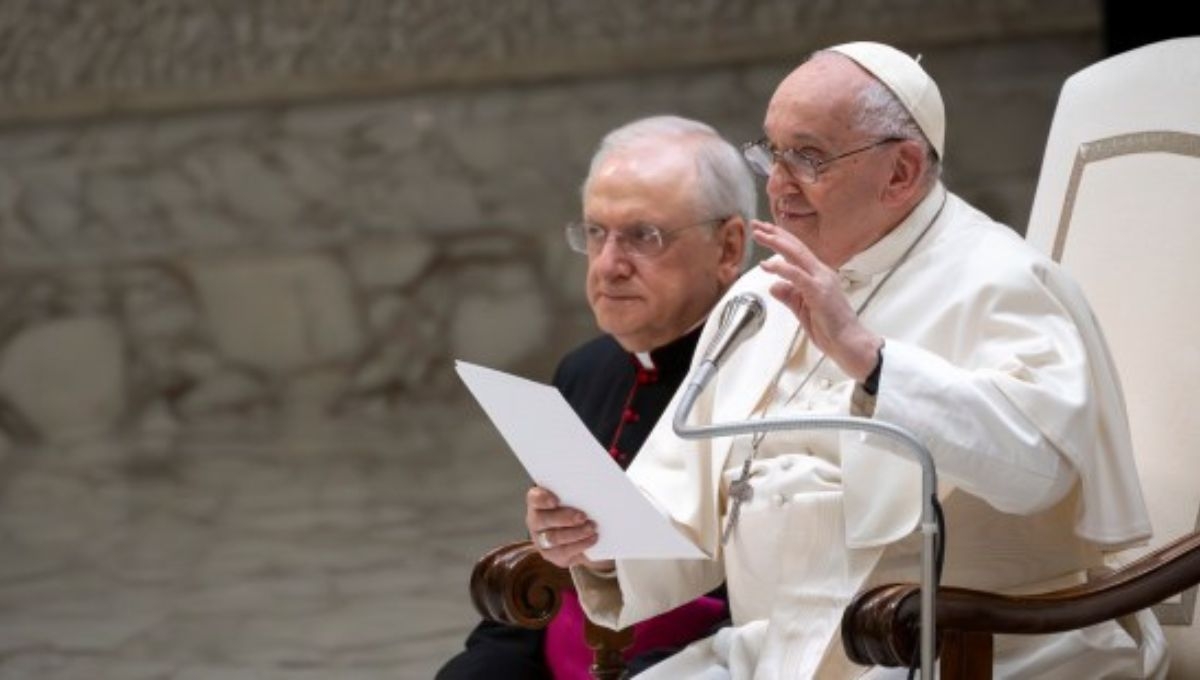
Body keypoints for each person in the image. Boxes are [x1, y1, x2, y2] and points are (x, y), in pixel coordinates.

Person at [527, 42, 1168, 678]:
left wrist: (869, 357)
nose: (777, 186)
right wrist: (599, 538)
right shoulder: (760, 295)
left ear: (902, 170)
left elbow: (1041, 468)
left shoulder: (1006, 281)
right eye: (772, 154)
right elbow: (679, 508)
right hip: (776, 651)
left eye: (808, 157)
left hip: (970, 651)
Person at [438, 115, 755, 680]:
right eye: (595, 233)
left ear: (727, 247)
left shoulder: (774, 376)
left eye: (643, 236)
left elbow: (767, 604)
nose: (608, 265)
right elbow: (550, 575)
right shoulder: (585, 371)